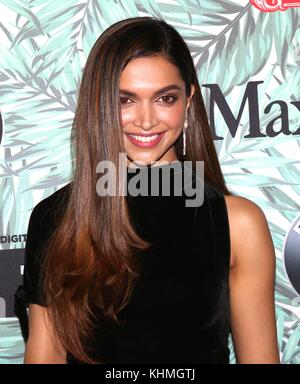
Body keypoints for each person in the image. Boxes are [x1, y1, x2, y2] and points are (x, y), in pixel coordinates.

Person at [14, 16, 280, 364]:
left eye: (164, 98)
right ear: (100, 104)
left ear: (188, 102)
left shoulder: (237, 223)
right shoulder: (56, 218)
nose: (145, 120)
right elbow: (45, 355)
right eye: (126, 100)